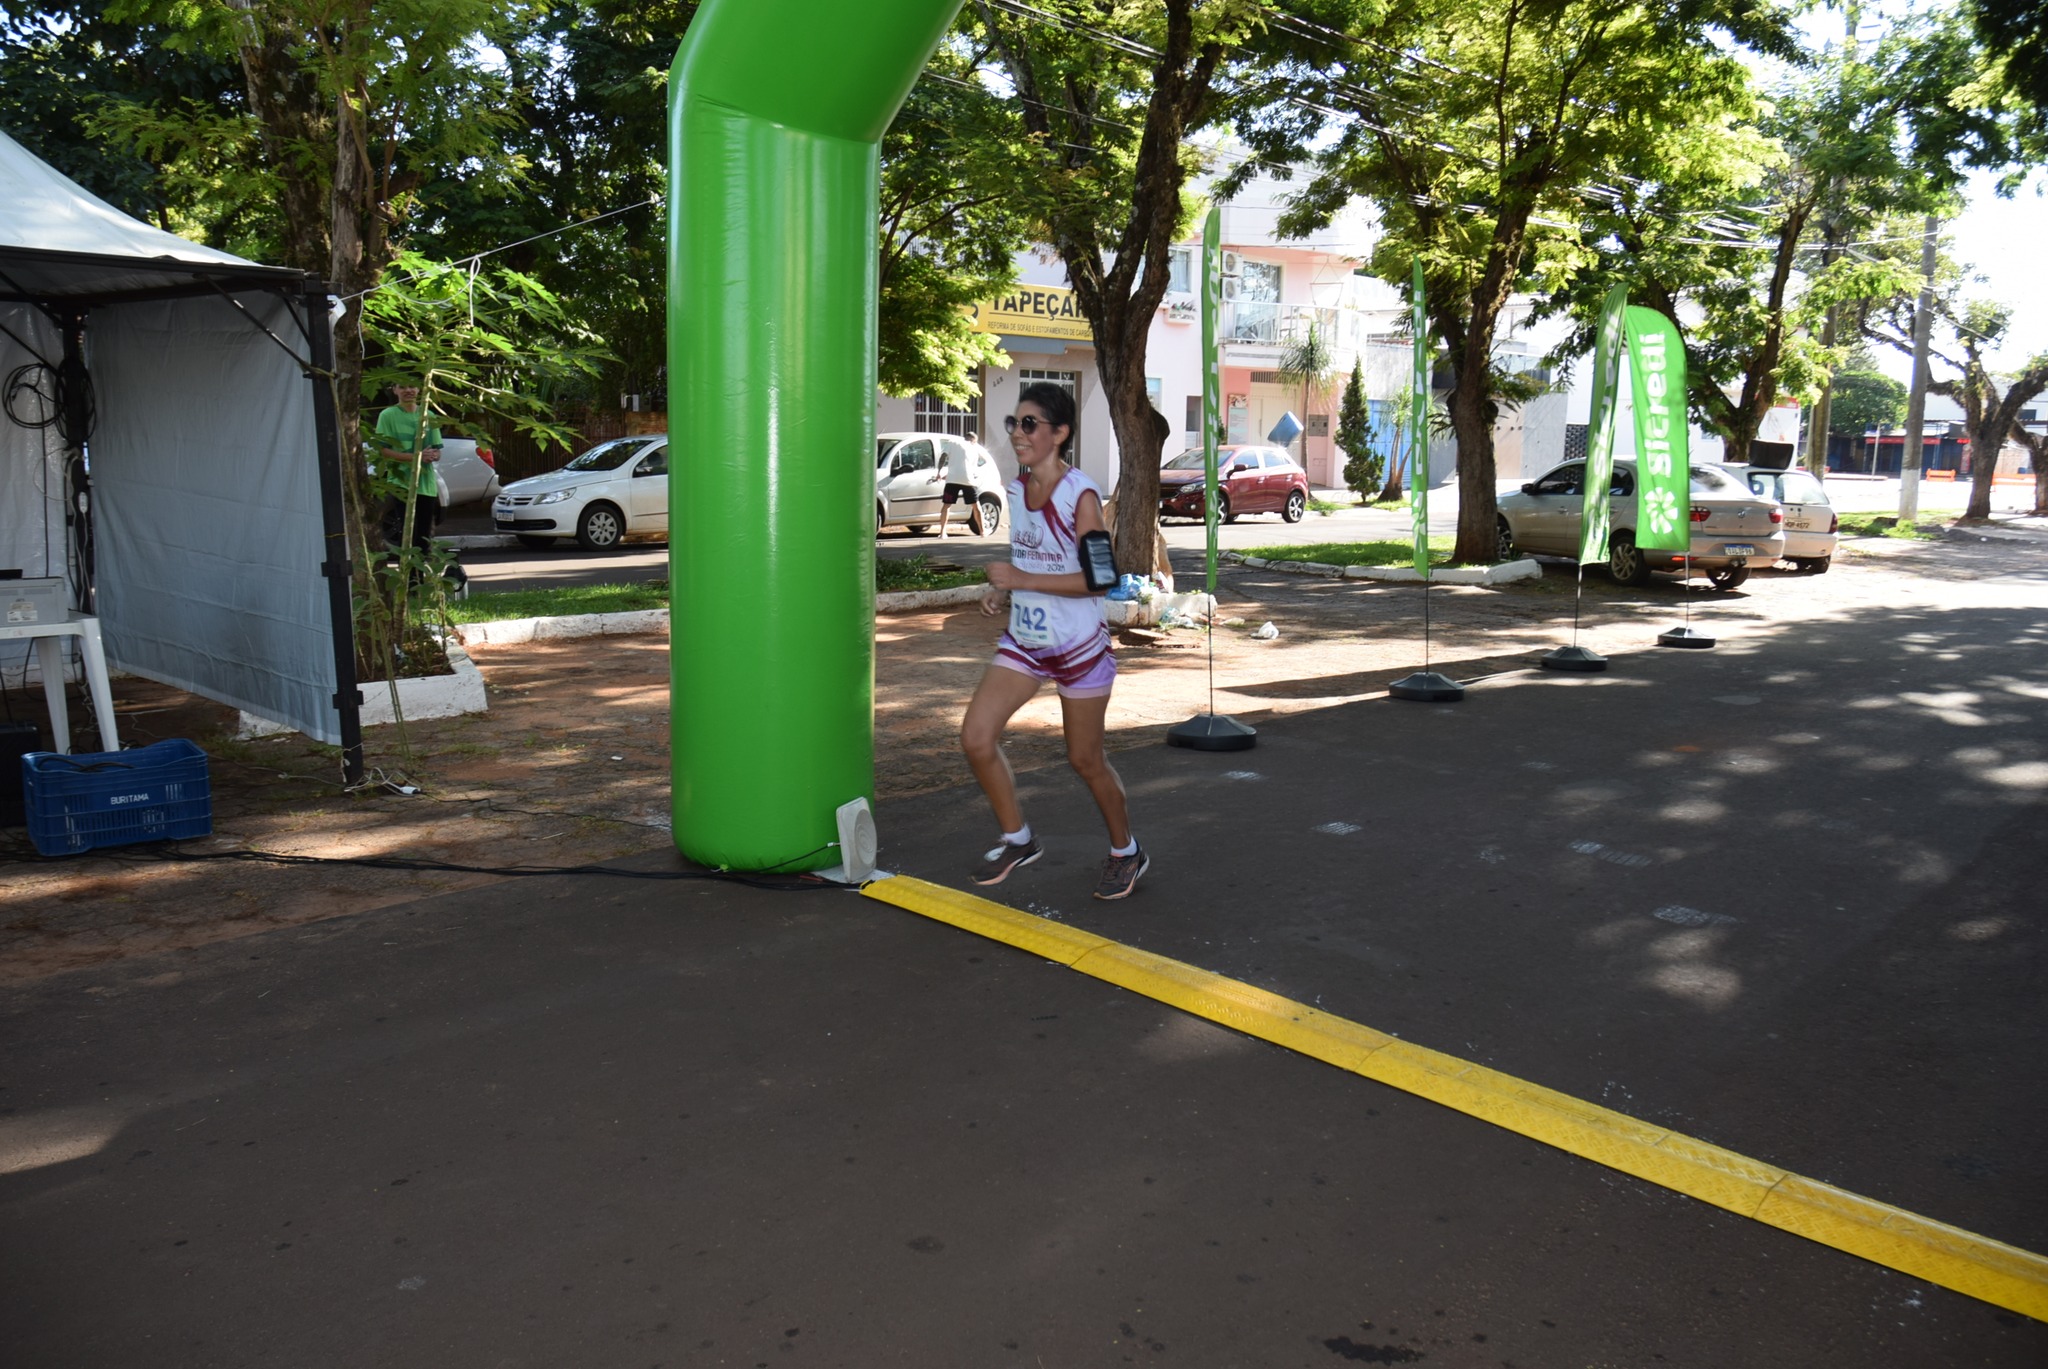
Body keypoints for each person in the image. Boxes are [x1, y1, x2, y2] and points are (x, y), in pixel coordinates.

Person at [960, 382, 1146, 900]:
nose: (1017, 434)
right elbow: (1030, 560)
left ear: (1059, 433)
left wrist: (1021, 581)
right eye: (1013, 424)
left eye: (1029, 424)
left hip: (1080, 651)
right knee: (976, 737)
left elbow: (1100, 579)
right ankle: (1018, 839)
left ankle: (1125, 851)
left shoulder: (1080, 495)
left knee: (1085, 760)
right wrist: (1001, 590)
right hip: (1025, 642)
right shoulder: (1018, 491)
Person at [374, 382, 443, 551]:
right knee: (407, 536)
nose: (409, 390)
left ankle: (420, 577)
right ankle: (408, 577)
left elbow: (437, 450)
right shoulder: (387, 415)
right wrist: (416, 457)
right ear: (395, 390)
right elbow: (383, 450)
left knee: (424, 538)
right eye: (403, 386)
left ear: (419, 388)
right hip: (401, 484)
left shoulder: (430, 415)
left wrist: (433, 455)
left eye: (412, 386)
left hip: (426, 485)